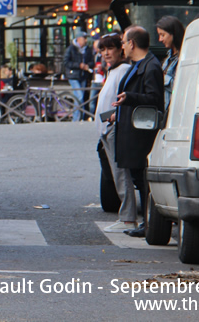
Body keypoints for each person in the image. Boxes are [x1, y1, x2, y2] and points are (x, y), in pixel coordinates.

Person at [113, 25, 165, 237]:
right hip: (131, 127)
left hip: (141, 132)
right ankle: (147, 222)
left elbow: (155, 99)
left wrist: (130, 97)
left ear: (132, 43)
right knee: (138, 178)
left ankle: (148, 223)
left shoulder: (150, 66)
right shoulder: (139, 65)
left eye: (124, 42)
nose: (122, 46)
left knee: (143, 180)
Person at [94, 33, 137, 232]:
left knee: (121, 174)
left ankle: (128, 217)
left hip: (114, 128)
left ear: (121, 48)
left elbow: (125, 101)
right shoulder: (115, 70)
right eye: (102, 50)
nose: (106, 53)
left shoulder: (124, 70)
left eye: (109, 48)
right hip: (108, 129)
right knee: (116, 174)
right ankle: (126, 216)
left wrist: (112, 118)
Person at [155, 15, 185, 111]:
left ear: (173, 33)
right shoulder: (168, 57)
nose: (160, 39)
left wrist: (161, 77)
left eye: (162, 35)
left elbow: (180, 87)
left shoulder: (184, 57)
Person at [64, 30, 94, 121]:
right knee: (79, 96)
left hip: (83, 76)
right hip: (73, 76)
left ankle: (80, 117)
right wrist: (79, 65)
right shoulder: (71, 49)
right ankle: (77, 118)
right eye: (84, 38)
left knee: (81, 97)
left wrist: (88, 66)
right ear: (78, 39)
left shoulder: (87, 50)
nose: (85, 40)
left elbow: (92, 61)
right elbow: (66, 62)